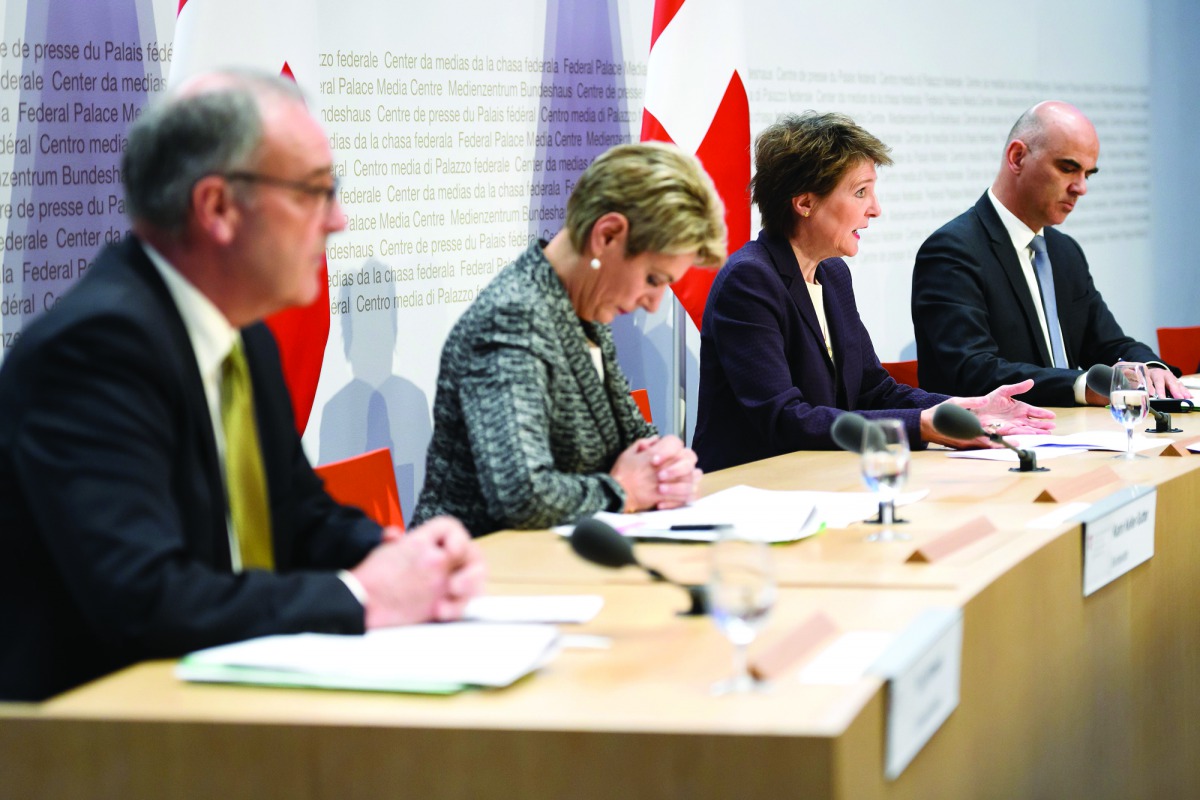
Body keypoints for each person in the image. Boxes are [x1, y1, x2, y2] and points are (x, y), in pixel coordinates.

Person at [0, 70, 485, 702]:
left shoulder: (242, 332)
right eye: (314, 192)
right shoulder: (97, 348)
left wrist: (400, 552)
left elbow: (297, 512)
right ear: (218, 208)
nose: (337, 221)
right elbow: (146, 597)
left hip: (215, 697)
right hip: (94, 724)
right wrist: (363, 594)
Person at [693, 112, 1055, 473]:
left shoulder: (833, 274)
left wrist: (961, 408)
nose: (876, 209)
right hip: (752, 484)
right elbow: (784, 418)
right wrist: (923, 426)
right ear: (804, 203)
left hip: (821, 476)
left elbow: (873, 390)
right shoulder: (750, 280)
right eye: (860, 192)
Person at [411, 142, 726, 536]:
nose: (653, 303)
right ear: (607, 235)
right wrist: (624, 491)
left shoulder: (582, 310)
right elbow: (522, 496)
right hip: (474, 564)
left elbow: (632, 438)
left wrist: (667, 465)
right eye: (652, 279)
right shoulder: (512, 318)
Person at [911, 101, 1192, 407]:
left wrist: (1149, 368)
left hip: (1069, 429)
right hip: (994, 432)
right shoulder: (952, 251)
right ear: (1017, 157)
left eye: (1088, 174)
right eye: (1068, 168)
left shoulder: (1064, 251)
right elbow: (971, 371)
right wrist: (1082, 385)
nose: (1081, 188)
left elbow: (1109, 344)